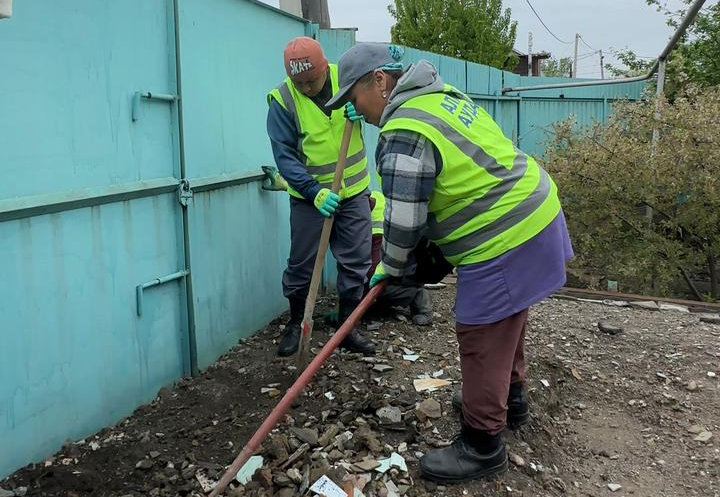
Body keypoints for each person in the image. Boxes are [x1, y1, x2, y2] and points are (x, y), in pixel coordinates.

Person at [325, 43, 573, 483]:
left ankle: (482, 445)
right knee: (506, 321)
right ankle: (509, 401)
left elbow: (402, 223)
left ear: (379, 82)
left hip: (506, 234)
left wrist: (395, 266)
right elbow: (460, 177)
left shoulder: (404, 129)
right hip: (536, 212)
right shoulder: (442, 97)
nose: (355, 111)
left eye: (353, 98)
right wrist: (429, 257)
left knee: (479, 332)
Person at [266, 37, 376, 357]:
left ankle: (346, 328)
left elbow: (381, 103)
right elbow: (284, 157)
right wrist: (313, 192)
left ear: (324, 68)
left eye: (311, 81)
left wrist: (363, 108)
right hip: (309, 197)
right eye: (299, 82)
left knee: (356, 261)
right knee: (302, 263)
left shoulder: (350, 78)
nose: (306, 88)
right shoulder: (283, 100)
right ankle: (297, 321)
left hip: (353, 191)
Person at [367, 190, 433, 326]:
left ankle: (419, 299)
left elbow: (375, 269)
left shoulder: (377, 222)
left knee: (379, 286)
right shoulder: (373, 199)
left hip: (406, 265)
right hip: (394, 254)